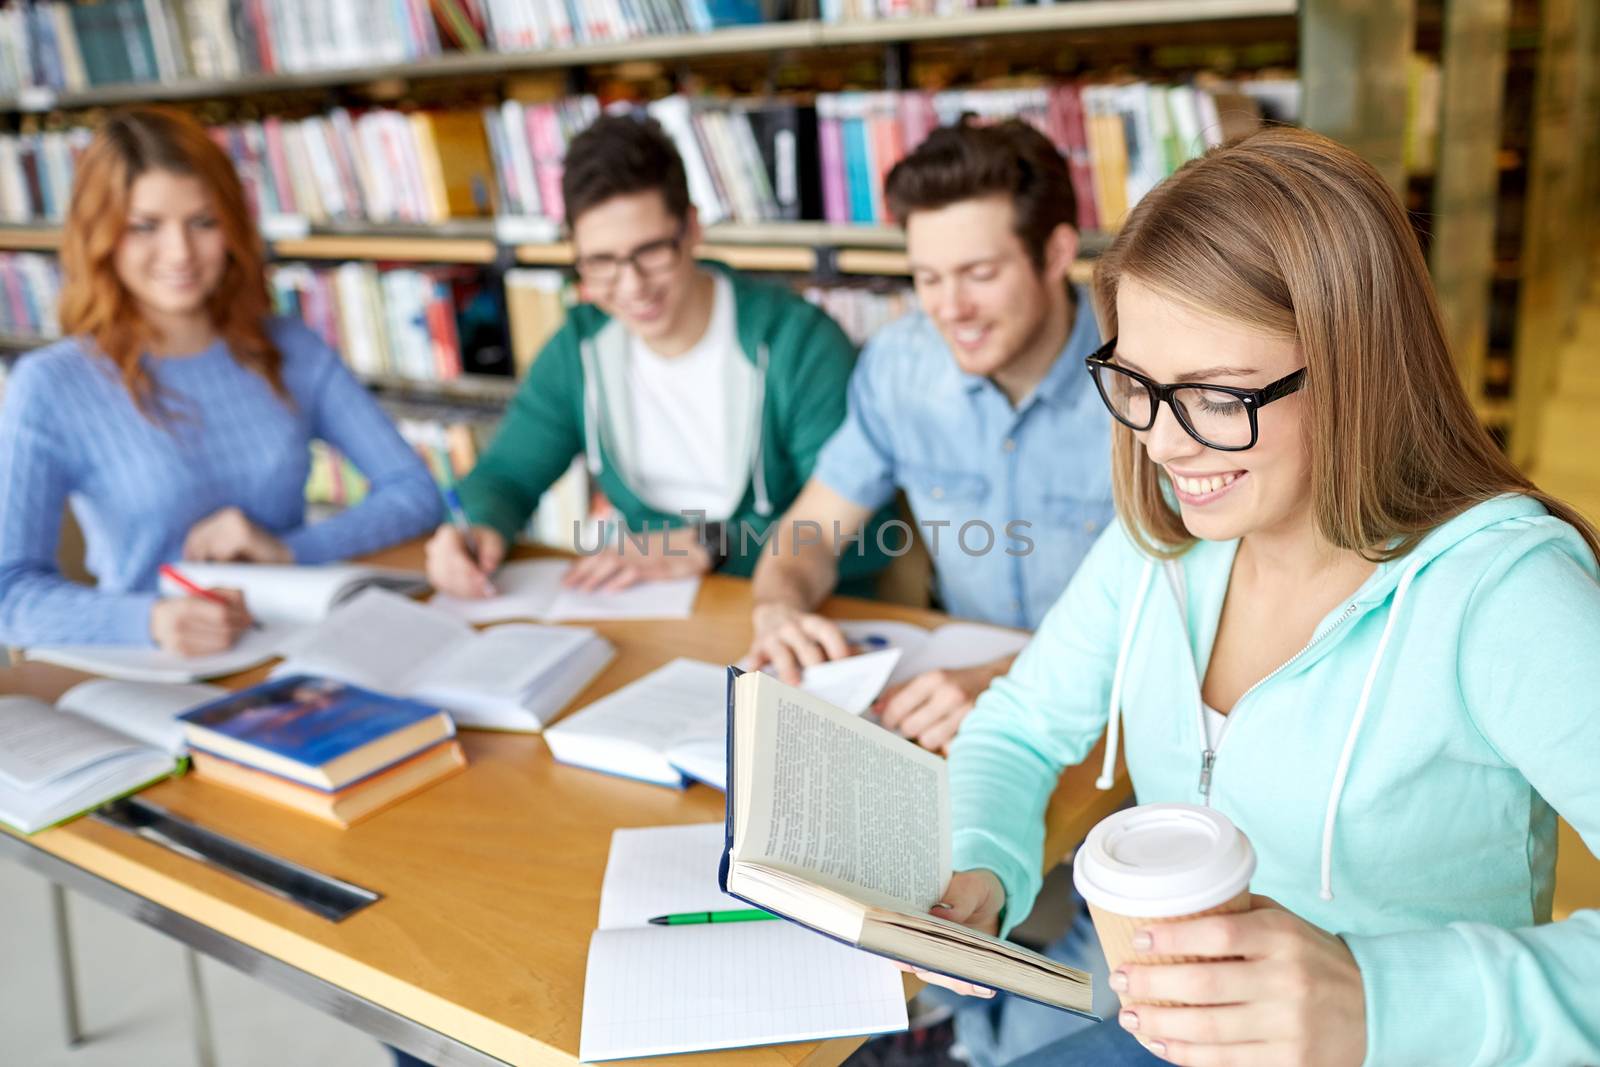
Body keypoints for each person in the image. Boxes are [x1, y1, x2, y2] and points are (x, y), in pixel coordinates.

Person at [914, 126, 1600, 1067]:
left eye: (1220, 397)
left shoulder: (1505, 592)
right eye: (1138, 385)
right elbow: (1021, 726)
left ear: (1357, 366)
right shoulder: (1157, 541)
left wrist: (1378, 1000)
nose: (1164, 443)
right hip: (1165, 1039)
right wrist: (978, 862)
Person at [0, 107, 440, 655]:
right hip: (149, 666)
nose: (180, 252)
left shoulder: (290, 347)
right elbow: (9, 594)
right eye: (145, 226)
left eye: (203, 222)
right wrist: (152, 621)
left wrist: (287, 552)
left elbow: (417, 494)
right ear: (101, 236)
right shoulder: (50, 386)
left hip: (292, 646)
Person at [743, 118, 1114, 755]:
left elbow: (1200, 612)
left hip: (1117, 717)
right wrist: (780, 603)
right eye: (928, 278)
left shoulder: (1150, 374)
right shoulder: (898, 367)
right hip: (954, 714)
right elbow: (809, 532)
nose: (950, 308)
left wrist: (1008, 682)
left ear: (1055, 254)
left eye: (978, 273)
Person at [424, 114, 885, 599]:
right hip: (653, 605)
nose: (631, 286)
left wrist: (716, 545)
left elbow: (860, 529)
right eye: (600, 261)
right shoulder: (581, 346)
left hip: (800, 605)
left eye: (651, 252)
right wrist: (479, 529)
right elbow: (507, 474)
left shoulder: (799, 343)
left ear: (691, 228)